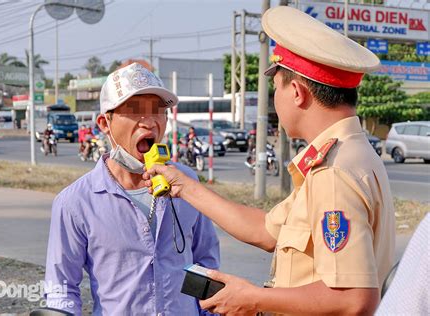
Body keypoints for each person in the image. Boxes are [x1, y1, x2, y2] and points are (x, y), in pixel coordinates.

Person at [143, 6, 395, 315]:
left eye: (275, 88)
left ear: (298, 93)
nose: (274, 99)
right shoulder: (349, 153)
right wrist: (184, 186)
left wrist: (252, 299)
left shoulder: (333, 172)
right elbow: (267, 230)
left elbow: (353, 299)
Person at [44, 62, 220, 315]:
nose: (148, 123)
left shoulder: (188, 184)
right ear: (105, 123)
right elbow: (61, 287)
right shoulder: (75, 203)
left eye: (157, 111)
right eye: (135, 111)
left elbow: (206, 264)